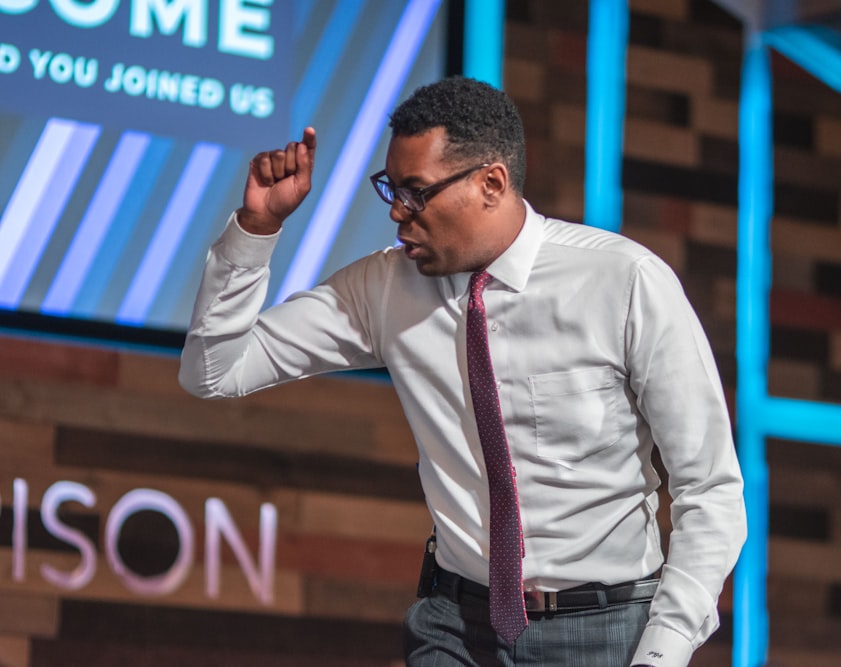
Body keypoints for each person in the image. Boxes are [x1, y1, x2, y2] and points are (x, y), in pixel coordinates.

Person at [179, 76, 746, 667]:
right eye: (390, 189)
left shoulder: (623, 282)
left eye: (416, 192)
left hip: (605, 629)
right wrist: (256, 229)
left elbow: (710, 488)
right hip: (454, 625)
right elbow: (214, 371)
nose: (398, 213)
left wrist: (663, 652)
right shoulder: (383, 288)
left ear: (491, 184)